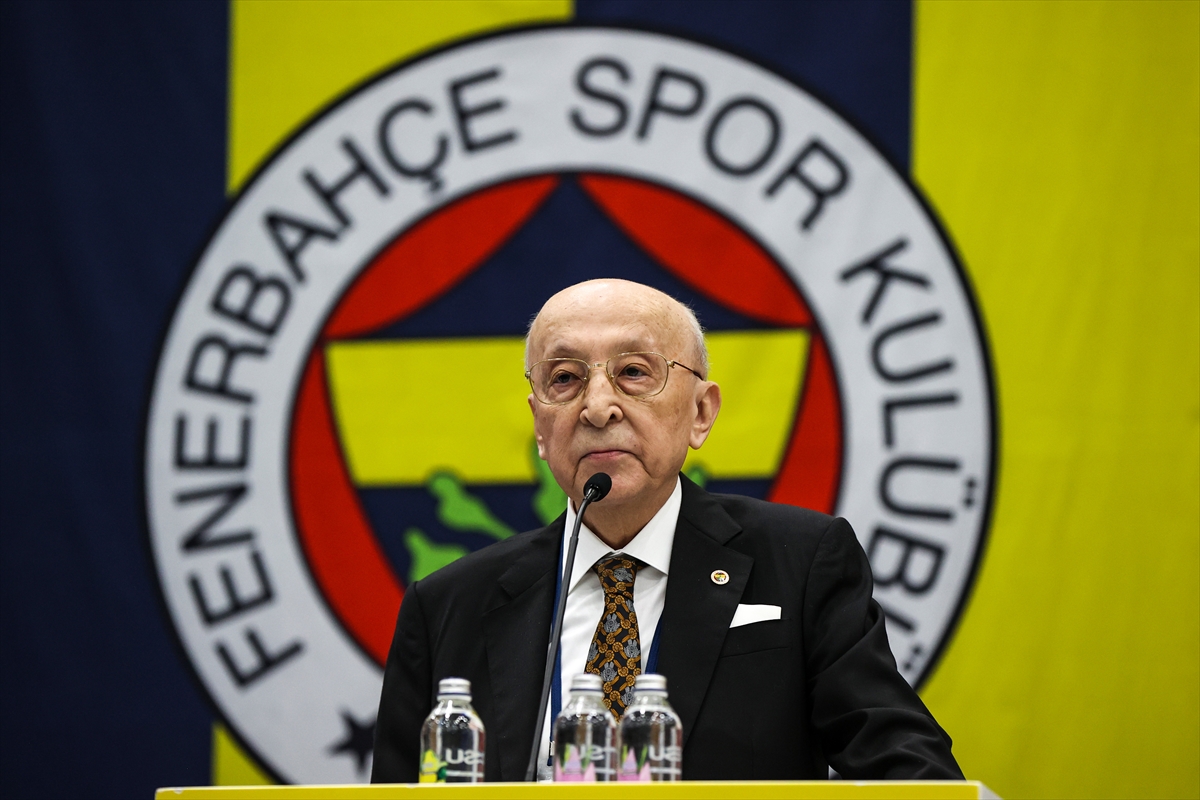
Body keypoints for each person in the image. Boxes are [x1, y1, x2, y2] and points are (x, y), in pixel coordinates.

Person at [371, 279, 963, 782]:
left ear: (701, 412)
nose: (597, 407)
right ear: (540, 428)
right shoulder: (449, 605)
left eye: (633, 372)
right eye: (565, 379)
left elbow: (908, 767)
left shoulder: (801, 563)